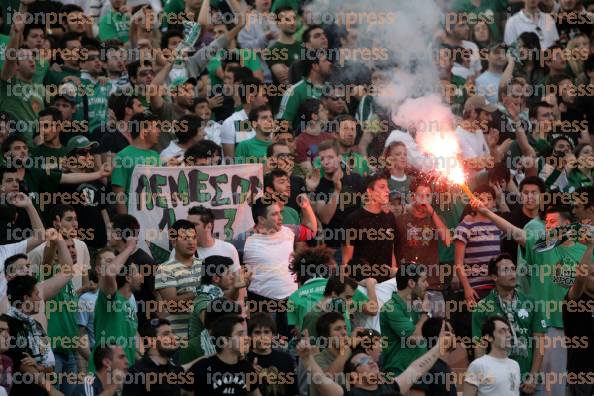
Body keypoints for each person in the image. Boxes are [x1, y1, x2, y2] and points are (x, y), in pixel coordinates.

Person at [298, 326, 457, 396]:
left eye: (369, 359)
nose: (371, 362)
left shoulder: (391, 387)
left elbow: (416, 369)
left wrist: (439, 347)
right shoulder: (348, 394)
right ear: (353, 376)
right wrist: (307, 359)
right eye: (363, 361)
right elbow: (322, 382)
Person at [244, 195, 317, 337]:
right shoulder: (244, 240)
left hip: (291, 301)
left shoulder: (288, 230)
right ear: (261, 219)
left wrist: (306, 207)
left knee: (292, 346)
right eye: (275, 214)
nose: (280, 218)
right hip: (261, 304)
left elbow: (312, 232)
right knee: (266, 347)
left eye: (280, 213)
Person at [472, 254, 545, 394]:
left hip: (528, 380)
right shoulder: (482, 307)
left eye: (513, 268)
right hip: (498, 381)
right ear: (494, 277)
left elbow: (540, 342)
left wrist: (534, 375)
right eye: (506, 270)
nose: (512, 273)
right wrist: (483, 378)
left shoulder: (532, 303)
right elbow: (480, 346)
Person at [2, 276, 61, 395]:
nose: (40, 299)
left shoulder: (37, 326)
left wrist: (41, 367)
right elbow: (23, 363)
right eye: (36, 295)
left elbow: (50, 364)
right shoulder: (5, 324)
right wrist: (51, 389)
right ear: (26, 298)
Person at [395, 178, 452, 299]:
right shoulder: (400, 219)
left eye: (427, 196)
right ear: (412, 197)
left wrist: (432, 213)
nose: (424, 199)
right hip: (407, 285)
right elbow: (391, 248)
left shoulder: (436, 218)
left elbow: (448, 241)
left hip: (431, 284)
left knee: (437, 318)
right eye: (420, 195)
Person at [91, 237, 142, 372]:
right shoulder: (109, 298)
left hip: (124, 375)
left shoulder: (129, 304)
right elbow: (108, 274)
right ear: (127, 277)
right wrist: (129, 248)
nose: (141, 276)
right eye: (136, 272)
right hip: (104, 375)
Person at [312, 139, 365, 265]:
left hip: (358, 243)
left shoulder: (355, 179)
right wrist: (336, 190)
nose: (326, 162)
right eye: (322, 158)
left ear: (339, 158)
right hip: (334, 246)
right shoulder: (320, 186)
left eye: (330, 157)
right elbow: (325, 218)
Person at [182, 315, 261, 396]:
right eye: (240, 334)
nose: (246, 338)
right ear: (225, 340)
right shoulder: (202, 368)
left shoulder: (247, 368)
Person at [342, 172, 397, 283]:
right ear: (370, 191)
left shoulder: (390, 217)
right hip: (362, 283)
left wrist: (393, 277)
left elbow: (391, 250)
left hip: (385, 284)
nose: (388, 191)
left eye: (388, 187)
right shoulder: (353, 219)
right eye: (382, 187)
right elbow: (347, 258)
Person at [155, 219, 202, 340]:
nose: (191, 242)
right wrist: (199, 292)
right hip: (180, 339)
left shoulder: (205, 266)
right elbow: (172, 305)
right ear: (174, 242)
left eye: (194, 238)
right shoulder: (165, 269)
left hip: (203, 339)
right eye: (185, 238)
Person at [380, 263, 430, 376]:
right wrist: (424, 314)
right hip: (399, 373)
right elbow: (414, 339)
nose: (427, 284)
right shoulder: (391, 308)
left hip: (419, 369)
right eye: (424, 280)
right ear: (411, 283)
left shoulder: (415, 305)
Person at [563, 232, 594, 396]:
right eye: (593, 275)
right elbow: (581, 278)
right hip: (582, 372)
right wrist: (590, 247)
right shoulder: (574, 299)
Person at [111, 112, 161, 215]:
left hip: (155, 217)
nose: (159, 131)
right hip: (135, 216)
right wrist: (126, 224)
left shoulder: (155, 155)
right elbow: (119, 195)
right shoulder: (122, 157)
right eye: (155, 127)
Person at [122, 319, 186, 396]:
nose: (173, 337)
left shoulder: (173, 369)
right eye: (166, 334)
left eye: (172, 333)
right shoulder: (137, 373)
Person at [464, 315, 522, 396]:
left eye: (508, 330)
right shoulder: (477, 365)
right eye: (502, 331)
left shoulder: (515, 365)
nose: (508, 335)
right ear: (489, 337)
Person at [277, 49, 332, 130]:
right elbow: (283, 122)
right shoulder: (295, 91)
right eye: (325, 61)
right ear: (315, 66)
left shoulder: (330, 89)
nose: (329, 63)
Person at [247, 313, 299, 396]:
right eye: (257, 332)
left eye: (266, 332)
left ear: (273, 335)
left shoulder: (285, 359)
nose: (262, 336)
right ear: (250, 336)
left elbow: (293, 391)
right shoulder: (245, 361)